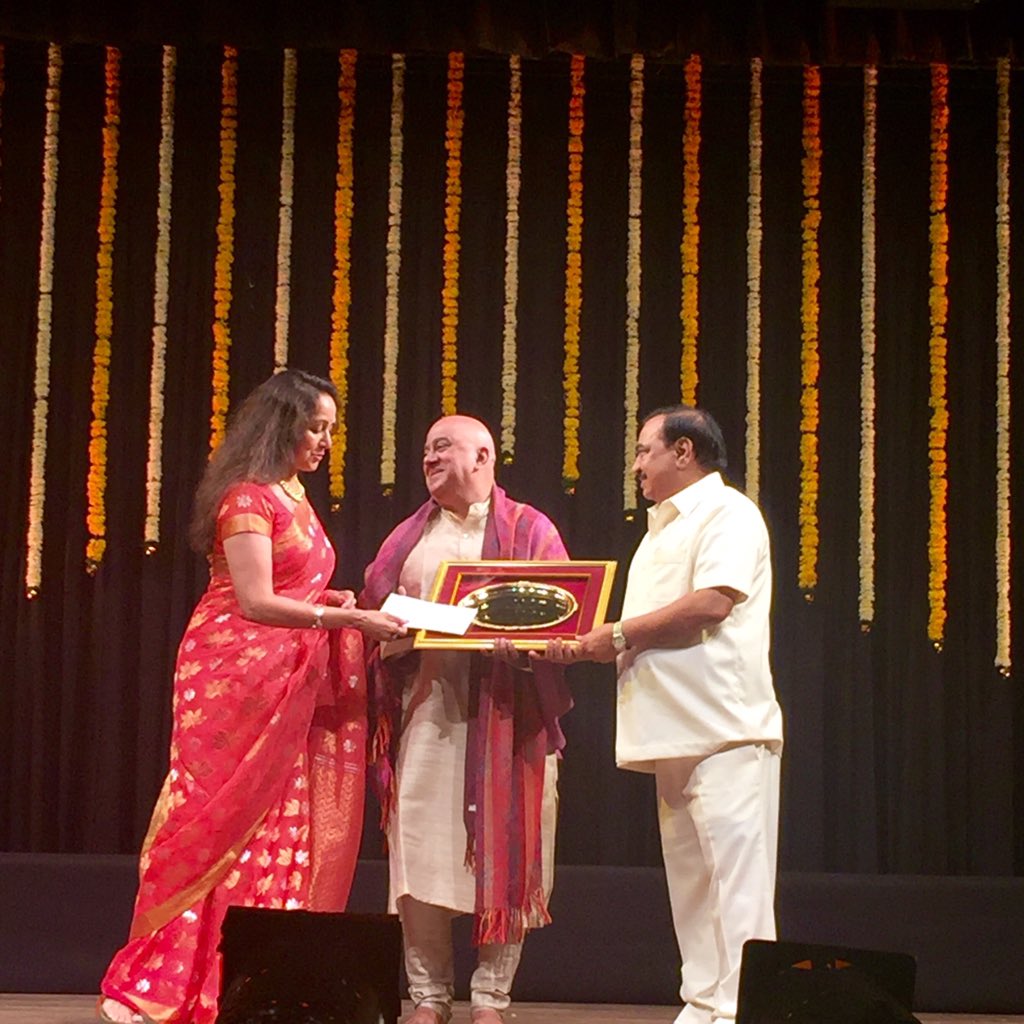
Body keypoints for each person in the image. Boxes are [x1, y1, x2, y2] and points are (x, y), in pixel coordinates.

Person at [98, 369, 407, 1024]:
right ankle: (179, 975)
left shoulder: (293, 493)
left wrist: (329, 601)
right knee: (218, 822)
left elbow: (291, 593)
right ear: (280, 424)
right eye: (314, 427)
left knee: (284, 822)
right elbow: (255, 601)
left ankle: (266, 977)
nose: (324, 441)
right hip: (234, 676)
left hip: (290, 676)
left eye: (330, 429)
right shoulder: (246, 498)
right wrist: (349, 621)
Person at [543, 404, 783, 1024]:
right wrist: (580, 644)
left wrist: (615, 636)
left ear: (684, 451)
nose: (637, 465)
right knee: (694, 889)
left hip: (725, 730)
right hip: (672, 731)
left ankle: (743, 1013)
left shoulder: (728, 512)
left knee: (738, 889)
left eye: (646, 450)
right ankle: (704, 1006)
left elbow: (711, 603)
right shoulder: (660, 529)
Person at [360, 415, 571, 1024]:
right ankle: (428, 996)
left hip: (511, 720)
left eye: (443, 447)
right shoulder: (407, 538)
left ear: (483, 457)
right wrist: (390, 634)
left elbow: (564, 617)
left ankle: (490, 999)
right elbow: (377, 615)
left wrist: (525, 642)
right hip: (426, 717)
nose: (428, 457)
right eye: (426, 448)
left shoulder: (530, 529)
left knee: (509, 854)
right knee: (420, 857)